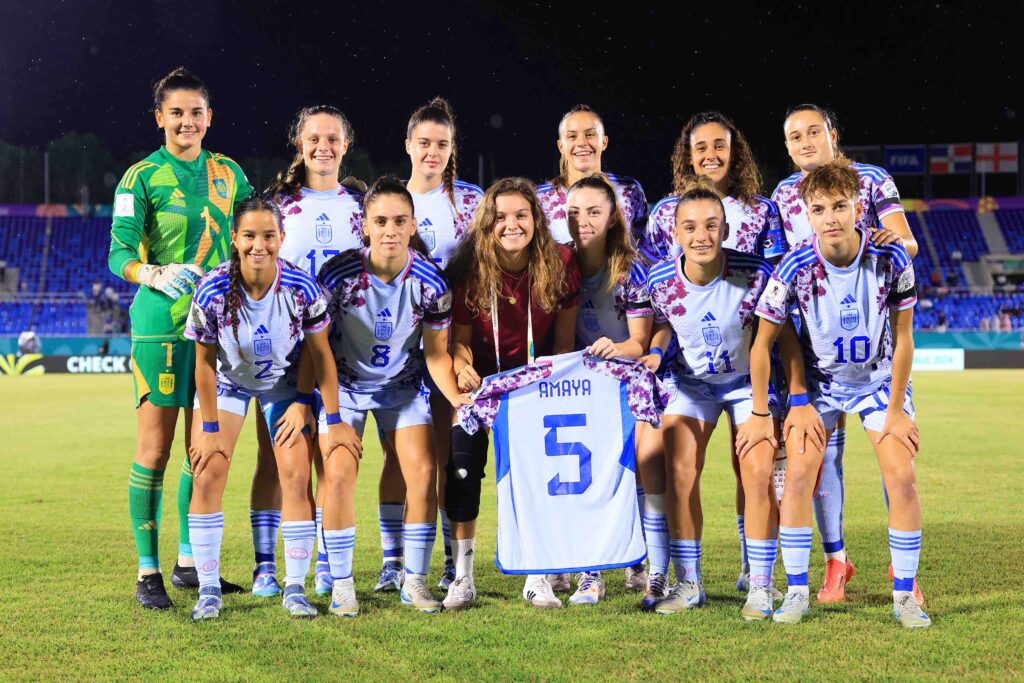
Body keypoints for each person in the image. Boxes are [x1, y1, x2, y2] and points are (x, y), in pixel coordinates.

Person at [746, 160, 929, 628]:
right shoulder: (794, 265)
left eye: (840, 206)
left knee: (901, 475)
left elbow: (904, 337)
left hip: (877, 383)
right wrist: (771, 411)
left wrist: (896, 410)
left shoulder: (892, 258)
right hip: (821, 387)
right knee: (798, 476)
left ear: (858, 209)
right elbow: (763, 343)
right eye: (819, 209)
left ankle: (905, 596)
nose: (830, 218)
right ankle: (796, 593)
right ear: (807, 214)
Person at [108, 67, 253, 609]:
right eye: (176, 113)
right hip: (160, 327)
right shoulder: (140, 177)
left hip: (216, 327)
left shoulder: (230, 173)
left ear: (209, 117)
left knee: (203, 448)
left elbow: (255, 231)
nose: (186, 121)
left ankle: (189, 563)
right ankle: (147, 571)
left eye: (196, 112)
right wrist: (151, 272)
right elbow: (118, 252)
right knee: (155, 449)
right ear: (159, 118)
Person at [184, 196, 358, 621]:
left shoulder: (301, 288)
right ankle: (208, 590)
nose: (258, 245)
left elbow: (320, 355)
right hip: (227, 383)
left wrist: (306, 405)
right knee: (207, 473)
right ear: (235, 238)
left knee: (296, 476)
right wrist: (209, 428)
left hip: (284, 384)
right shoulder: (212, 290)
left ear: (282, 237)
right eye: (249, 235)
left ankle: (294, 588)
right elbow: (203, 364)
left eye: (268, 235)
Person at [643, 111, 788, 594]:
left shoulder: (761, 221)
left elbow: (779, 307)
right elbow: (662, 313)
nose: (710, 154)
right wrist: (653, 354)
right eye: (700, 146)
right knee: (679, 470)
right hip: (690, 376)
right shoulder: (664, 220)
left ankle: (757, 575)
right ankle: (688, 583)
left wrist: (791, 392)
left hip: (750, 371)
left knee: (755, 470)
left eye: (719, 145)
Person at [316, 176, 470, 616]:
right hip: (346, 388)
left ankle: (414, 582)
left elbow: (436, 355)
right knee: (338, 475)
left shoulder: (431, 282)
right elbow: (319, 349)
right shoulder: (338, 275)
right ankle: (342, 585)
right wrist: (331, 415)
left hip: (402, 388)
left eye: (400, 221)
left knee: (422, 471)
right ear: (364, 225)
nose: (390, 230)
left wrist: (457, 399)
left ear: (413, 225)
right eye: (380, 221)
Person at [446, 176, 580, 610]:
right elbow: (460, 340)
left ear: (536, 219)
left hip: (534, 385)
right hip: (484, 385)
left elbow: (565, 342)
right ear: (487, 223)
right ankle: (462, 577)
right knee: (463, 468)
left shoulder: (560, 261)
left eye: (521, 215)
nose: (511, 224)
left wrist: (548, 385)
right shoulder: (469, 267)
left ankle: (536, 574)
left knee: (534, 474)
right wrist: (462, 366)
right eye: (501, 216)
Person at [373, 98, 485, 595]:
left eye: (442, 144)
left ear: (452, 148)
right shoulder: (393, 201)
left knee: (445, 453)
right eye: (424, 143)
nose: (432, 152)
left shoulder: (470, 201)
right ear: (408, 145)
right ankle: (392, 561)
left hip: (451, 339)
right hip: (398, 346)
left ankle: (448, 560)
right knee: (399, 457)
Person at [264, 104, 365, 597]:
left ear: (346, 145)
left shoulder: (363, 207)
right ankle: (272, 567)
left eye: (332, 139)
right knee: (285, 464)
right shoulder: (276, 205)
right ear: (299, 144)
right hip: (286, 356)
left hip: (344, 356)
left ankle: (327, 562)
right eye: (313, 138)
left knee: (333, 462)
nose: (323, 147)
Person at [563, 173, 655, 605]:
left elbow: (640, 341)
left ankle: (637, 559)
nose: (582, 220)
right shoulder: (559, 263)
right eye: (574, 212)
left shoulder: (630, 268)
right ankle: (590, 572)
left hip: (625, 378)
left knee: (634, 473)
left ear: (613, 216)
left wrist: (615, 350)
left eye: (593, 211)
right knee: (587, 476)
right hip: (581, 384)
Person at [537, 104, 648, 247]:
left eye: (590, 134)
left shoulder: (629, 191)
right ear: (561, 146)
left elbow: (644, 250)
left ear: (604, 142)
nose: (582, 143)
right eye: (572, 136)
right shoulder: (539, 199)